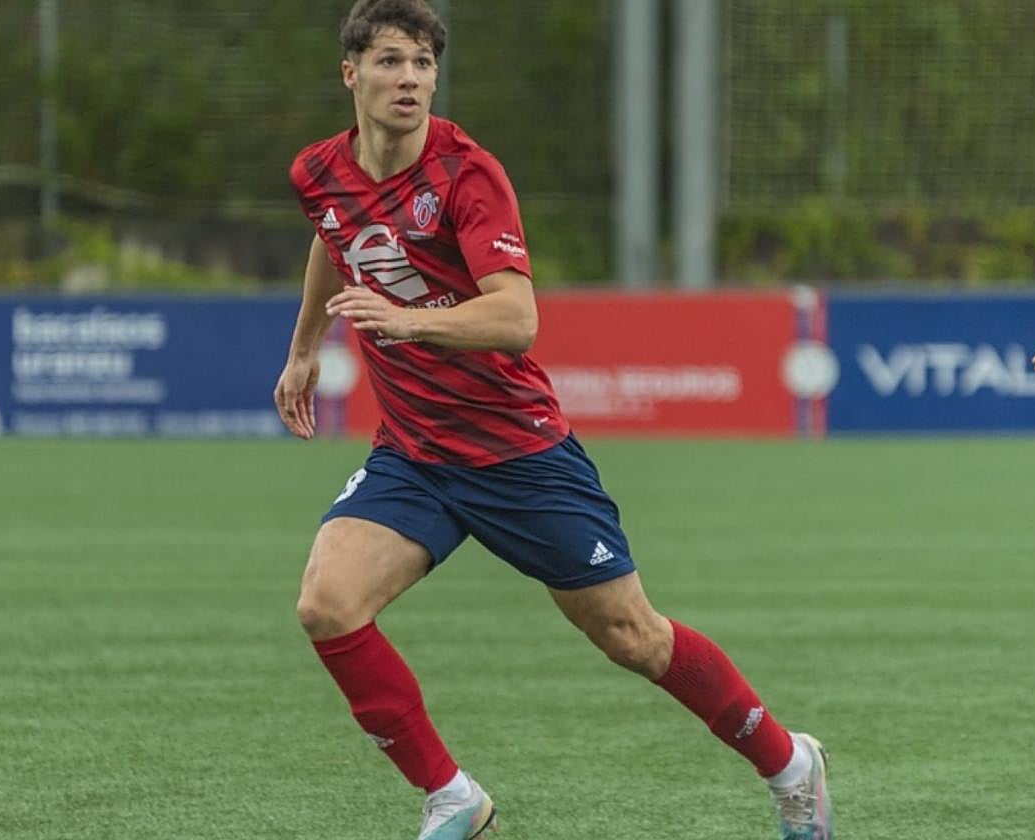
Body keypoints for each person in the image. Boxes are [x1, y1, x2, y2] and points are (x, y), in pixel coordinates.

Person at [275, 2, 834, 838]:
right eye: (391, 62)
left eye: (424, 64)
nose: (411, 79)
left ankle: (791, 765)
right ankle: (452, 797)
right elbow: (333, 232)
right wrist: (305, 345)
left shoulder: (468, 175)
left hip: (517, 453)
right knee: (327, 601)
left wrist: (410, 320)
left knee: (633, 637)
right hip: (416, 455)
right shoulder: (318, 172)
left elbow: (516, 319)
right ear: (350, 73)